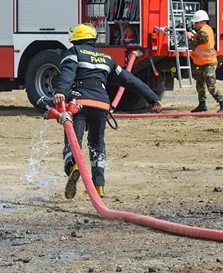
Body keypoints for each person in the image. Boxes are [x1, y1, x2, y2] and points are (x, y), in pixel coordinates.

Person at [53, 23, 163, 199]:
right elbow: (130, 80)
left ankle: (73, 167)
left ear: (75, 39)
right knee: (97, 144)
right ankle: (99, 187)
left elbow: (67, 73)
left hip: (79, 103)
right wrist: (152, 97)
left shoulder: (74, 53)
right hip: (101, 105)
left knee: (73, 141)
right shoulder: (106, 58)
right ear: (93, 39)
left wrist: (60, 91)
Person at [186, 10, 223, 113]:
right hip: (202, 63)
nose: (195, 25)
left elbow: (193, 45)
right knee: (200, 84)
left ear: (203, 22)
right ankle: (202, 105)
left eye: (196, 23)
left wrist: (188, 38)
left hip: (209, 63)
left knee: (210, 84)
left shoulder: (203, 33)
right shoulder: (205, 30)